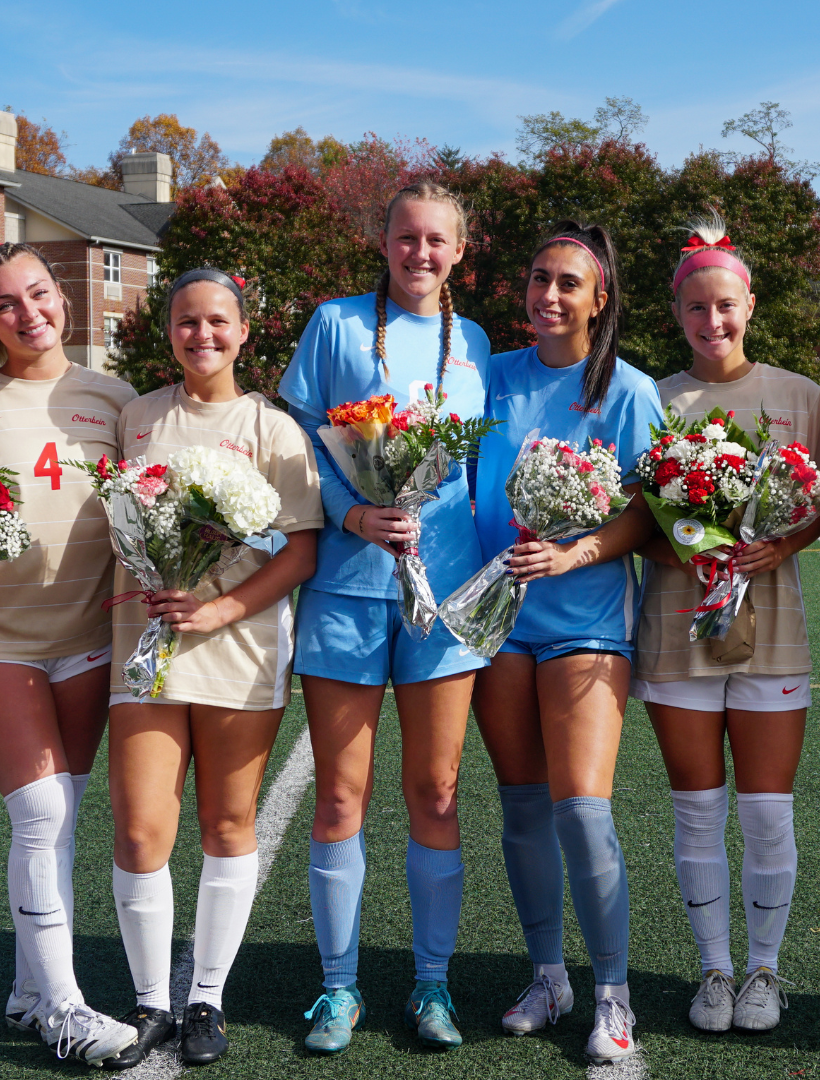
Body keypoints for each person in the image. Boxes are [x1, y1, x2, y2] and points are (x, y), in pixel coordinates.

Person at [276, 181, 491, 1053]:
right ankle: (338, 989)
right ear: (385, 242)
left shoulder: (473, 341)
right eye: (406, 238)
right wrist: (349, 513)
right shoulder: (333, 324)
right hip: (346, 590)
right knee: (340, 794)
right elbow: (294, 434)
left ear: (459, 252)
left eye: (437, 241)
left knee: (436, 791)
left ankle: (432, 983)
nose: (420, 254)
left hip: (443, 597)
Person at [104, 269, 323, 1067]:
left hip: (240, 650)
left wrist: (222, 607)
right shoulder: (135, 416)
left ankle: (206, 1000)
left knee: (226, 824)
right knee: (139, 829)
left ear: (244, 331)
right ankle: (150, 1002)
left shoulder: (273, 427)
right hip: (148, 646)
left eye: (218, 322)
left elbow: (299, 547)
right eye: (187, 322)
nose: (203, 335)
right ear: (168, 332)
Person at [0, 240, 139, 1067]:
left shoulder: (115, 398)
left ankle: (26, 990)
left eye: (40, 293)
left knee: (60, 823)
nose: (30, 313)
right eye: (5, 304)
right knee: (41, 813)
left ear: (63, 295)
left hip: (88, 642)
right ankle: (63, 1008)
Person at [631, 216, 820, 1034]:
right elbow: (635, 515)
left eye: (727, 306)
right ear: (677, 314)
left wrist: (777, 542)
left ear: (750, 304)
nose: (712, 323)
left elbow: (819, 506)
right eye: (696, 310)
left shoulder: (799, 395)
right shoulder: (654, 399)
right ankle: (713, 969)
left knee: (766, 810)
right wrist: (685, 541)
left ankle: (764, 969)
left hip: (771, 622)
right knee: (695, 807)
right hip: (675, 622)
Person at [473, 221, 662, 1066]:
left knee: (582, 811)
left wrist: (576, 551)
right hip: (496, 622)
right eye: (538, 279)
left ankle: (613, 993)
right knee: (521, 809)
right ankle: (549, 977)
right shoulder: (488, 376)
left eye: (568, 284)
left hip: (586, 620)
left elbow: (650, 508)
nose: (549, 297)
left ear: (600, 298)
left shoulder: (628, 390)